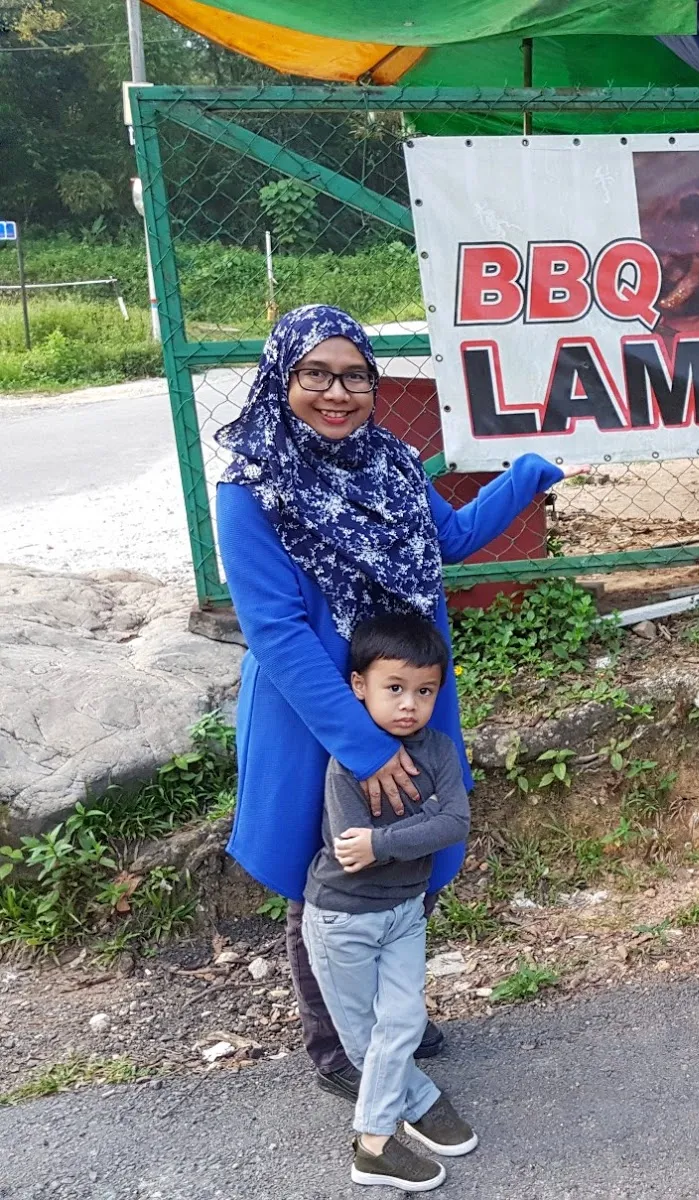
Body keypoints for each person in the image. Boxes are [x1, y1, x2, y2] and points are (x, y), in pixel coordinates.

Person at [214, 304, 567, 1100]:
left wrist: (527, 476)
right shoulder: (252, 485)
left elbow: (447, 541)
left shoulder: (392, 463)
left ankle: (391, 1016)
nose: (337, 394)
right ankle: (339, 1043)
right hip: (316, 716)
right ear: (282, 377)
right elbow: (275, 630)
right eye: (316, 374)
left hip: (407, 694)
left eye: (355, 377)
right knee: (327, 879)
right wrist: (363, 748)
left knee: (411, 857)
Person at [304, 612, 474, 1192]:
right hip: (341, 920)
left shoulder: (441, 750)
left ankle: (374, 1140)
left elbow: (456, 822)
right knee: (369, 1038)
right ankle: (397, 1123)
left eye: (424, 691)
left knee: (399, 1022)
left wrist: (386, 841)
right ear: (360, 687)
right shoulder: (346, 761)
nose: (409, 704)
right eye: (394, 688)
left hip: (403, 913)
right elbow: (352, 854)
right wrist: (412, 831)